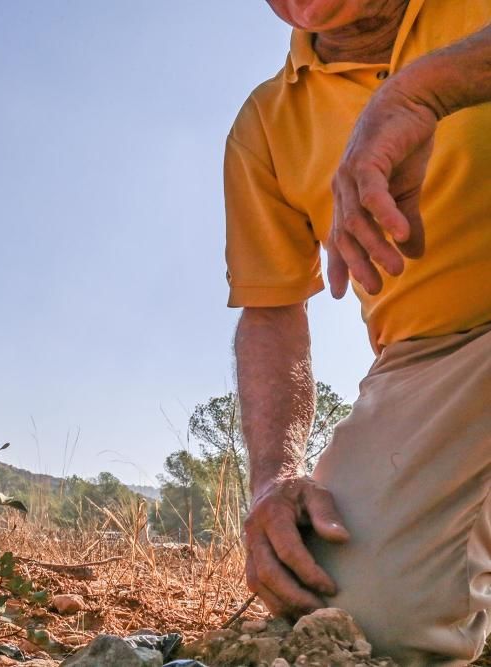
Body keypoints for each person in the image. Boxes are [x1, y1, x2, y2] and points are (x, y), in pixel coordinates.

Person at [226, 0, 491, 664]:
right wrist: (272, 475)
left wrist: (422, 92)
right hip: (430, 364)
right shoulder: (264, 125)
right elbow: (272, 312)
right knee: (350, 605)